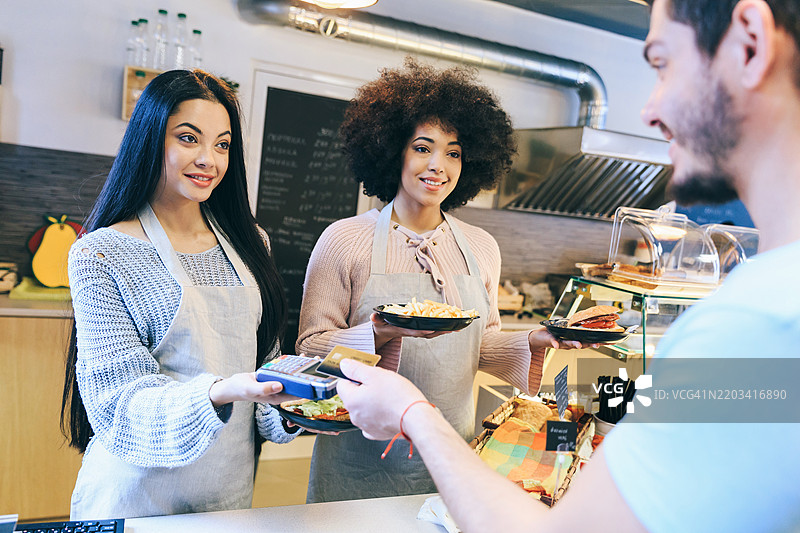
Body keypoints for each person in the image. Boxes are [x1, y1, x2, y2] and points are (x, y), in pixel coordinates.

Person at [336, 1, 800, 531]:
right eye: (423, 148)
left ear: (750, 41)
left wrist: (412, 414)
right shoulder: (762, 315)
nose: (649, 110)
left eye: (661, 61)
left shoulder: (755, 327)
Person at [295, 58, 593, 503]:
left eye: (453, 152)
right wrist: (379, 331)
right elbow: (310, 346)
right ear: (392, 149)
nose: (438, 165)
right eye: (422, 147)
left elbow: (481, 343)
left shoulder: (481, 247)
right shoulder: (345, 240)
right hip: (358, 457)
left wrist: (536, 339)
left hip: (449, 450)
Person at [61, 70, 302, 520]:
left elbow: (263, 367)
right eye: (189, 138)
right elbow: (119, 403)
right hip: (135, 496)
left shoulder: (252, 243)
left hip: (227, 491)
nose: (209, 159)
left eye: (223, 144)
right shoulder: (101, 253)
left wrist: (293, 403)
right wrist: (220, 391)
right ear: (151, 139)